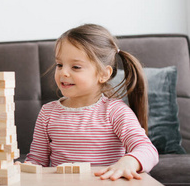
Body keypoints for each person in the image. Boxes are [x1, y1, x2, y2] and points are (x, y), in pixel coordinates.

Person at [23, 24, 159, 180]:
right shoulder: (48, 112)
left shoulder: (115, 112)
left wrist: (129, 161)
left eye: (76, 67)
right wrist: (25, 168)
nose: (63, 72)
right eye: (59, 65)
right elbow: (37, 160)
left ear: (103, 74)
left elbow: (147, 150)